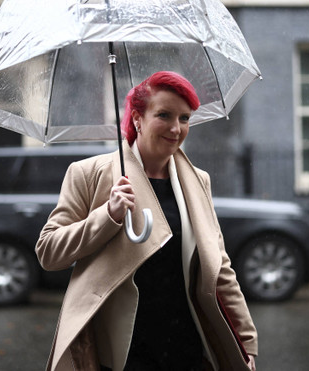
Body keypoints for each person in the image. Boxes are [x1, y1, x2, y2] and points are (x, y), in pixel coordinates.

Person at [36, 71, 257, 371]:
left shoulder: (198, 181)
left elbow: (220, 266)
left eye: (185, 118)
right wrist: (108, 215)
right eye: (164, 115)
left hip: (187, 346)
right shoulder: (88, 173)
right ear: (137, 118)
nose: (176, 128)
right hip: (123, 352)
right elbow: (49, 252)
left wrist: (246, 341)